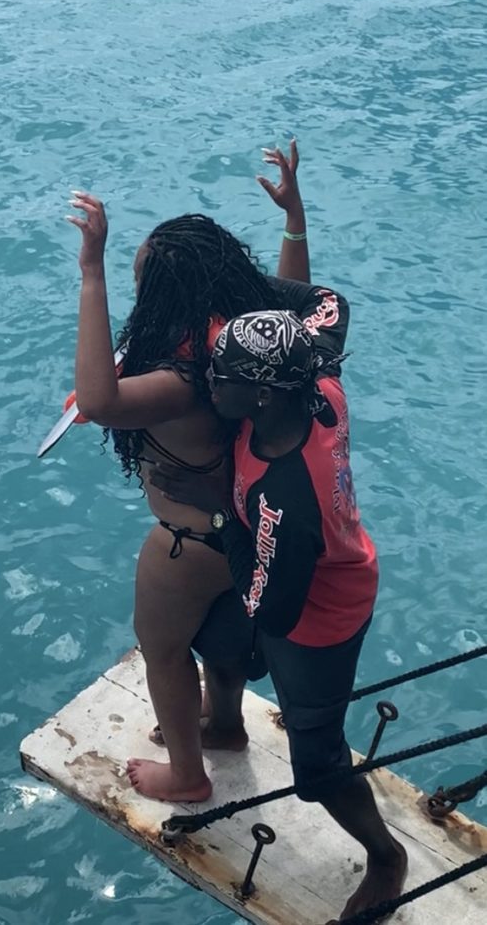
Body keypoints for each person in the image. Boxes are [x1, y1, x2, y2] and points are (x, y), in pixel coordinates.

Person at [66, 142, 331, 802]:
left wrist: (91, 272)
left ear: (163, 297)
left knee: (163, 649)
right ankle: (223, 724)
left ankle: (187, 775)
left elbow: (99, 402)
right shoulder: (242, 348)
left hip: (188, 542)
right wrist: (294, 221)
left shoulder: (181, 380)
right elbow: (290, 317)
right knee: (221, 636)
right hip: (237, 526)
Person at [148, 309, 408, 920]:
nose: (209, 383)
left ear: (262, 395)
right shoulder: (318, 383)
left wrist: (218, 510)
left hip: (320, 619)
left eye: (221, 376)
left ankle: (386, 855)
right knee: (218, 634)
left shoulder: (284, 498)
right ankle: (224, 726)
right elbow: (329, 302)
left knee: (317, 767)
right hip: (305, 566)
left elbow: (272, 612)